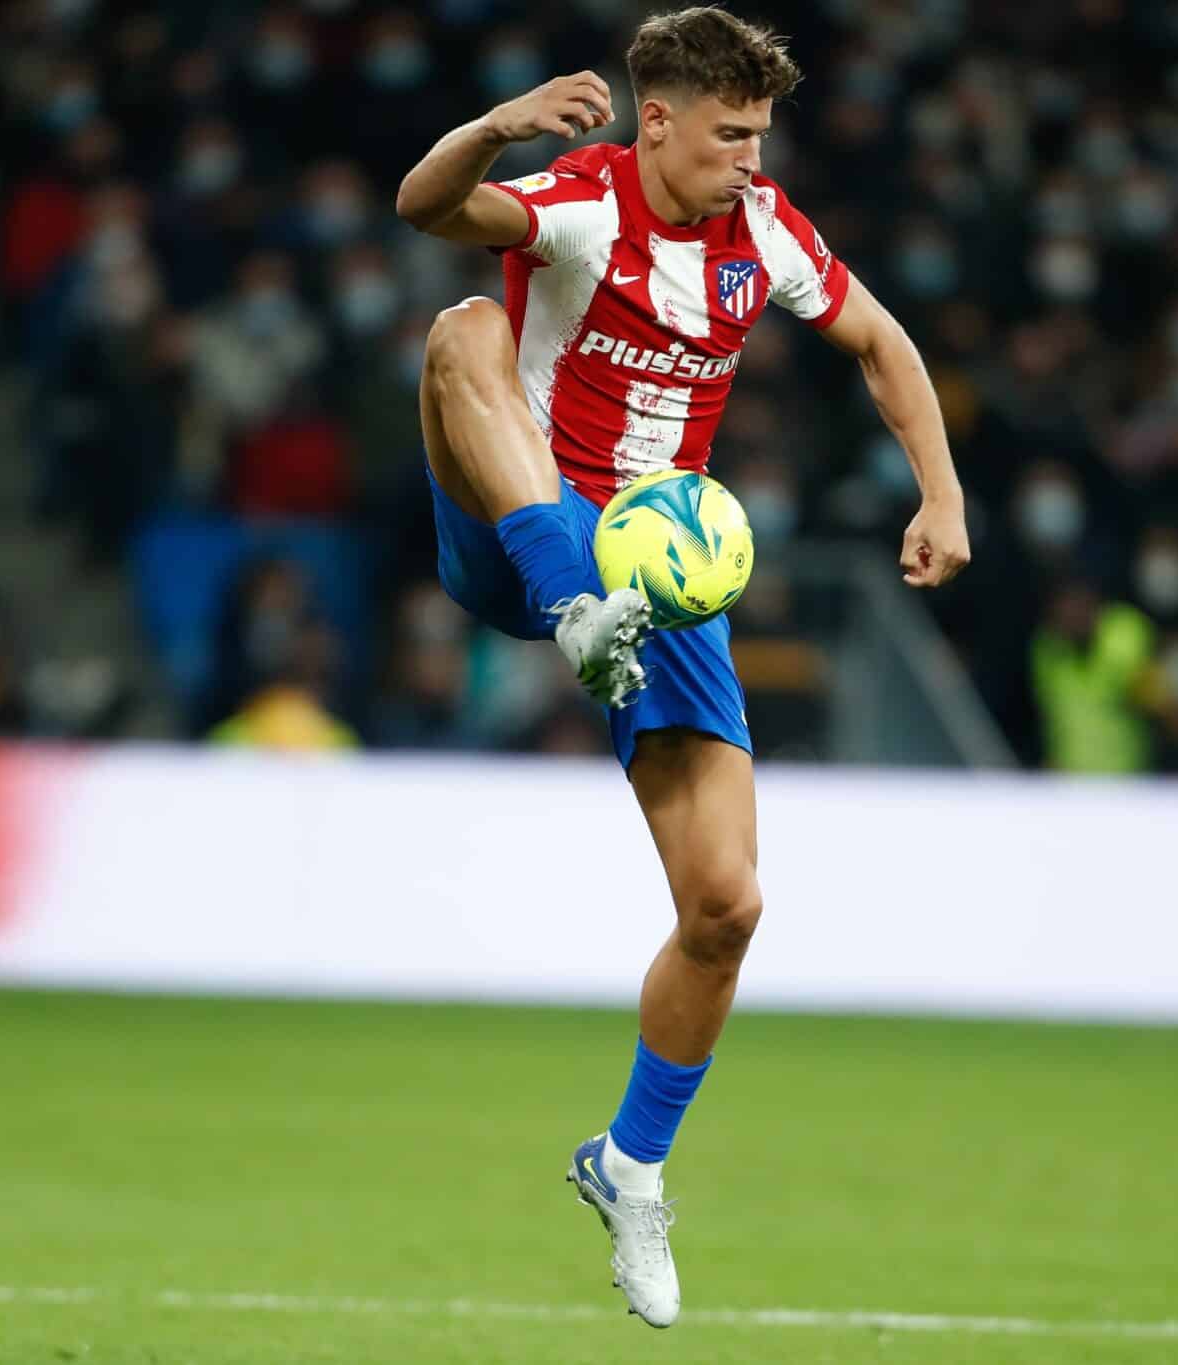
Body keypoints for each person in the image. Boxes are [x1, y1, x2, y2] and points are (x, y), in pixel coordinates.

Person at [394, 6, 969, 1329]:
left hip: (665, 563)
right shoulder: (584, 199)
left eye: (760, 137)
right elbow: (427, 204)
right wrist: (496, 125)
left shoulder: (762, 233)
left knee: (728, 902)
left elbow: (882, 342)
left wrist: (939, 493)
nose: (748, 162)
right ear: (656, 123)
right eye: (728, 137)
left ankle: (631, 1163)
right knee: (460, 327)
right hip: (517, 516)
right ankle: (569, 602)